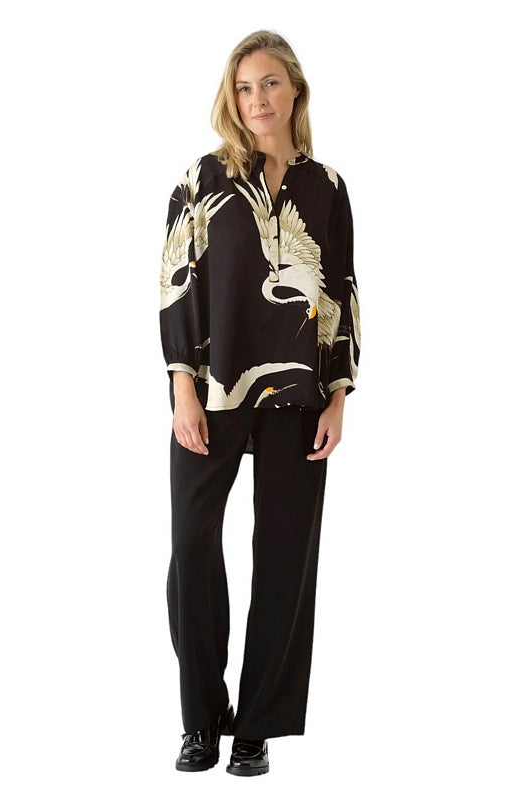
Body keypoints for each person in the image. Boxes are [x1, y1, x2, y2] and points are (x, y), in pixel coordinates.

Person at [159, 29, 360, 777]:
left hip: (300, 396)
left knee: (284, 557)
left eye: (270, 83)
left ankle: (256, 728)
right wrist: (182, 386)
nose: (257, 100)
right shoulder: (201, 180)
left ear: (295, 90)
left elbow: (341, 293)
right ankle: (201, 718)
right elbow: (175, 285)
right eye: (244, 88)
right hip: (214, 392)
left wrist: (338, 393)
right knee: (192, 548)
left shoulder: (327, 187)